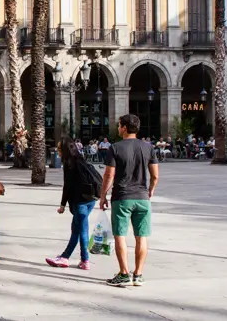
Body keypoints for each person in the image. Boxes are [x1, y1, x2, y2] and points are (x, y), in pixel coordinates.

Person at [100, 114, 158, 288]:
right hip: (142, 199)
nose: (118, 128)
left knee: (120, 236)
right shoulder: (148, 148)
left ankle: (124, 273)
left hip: (122, 198)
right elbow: (155, 175)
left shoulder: (115, 148)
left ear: (124, 128)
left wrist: (103, 195)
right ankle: (138, 274)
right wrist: (150, 190)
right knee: (142, 237)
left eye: (119, 125)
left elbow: (109, 174)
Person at [46, 136, 101, 270]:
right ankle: (65, 257)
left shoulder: (70, 165)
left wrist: (62, 205)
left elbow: (67, 186)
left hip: (80, 202)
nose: (57, 151)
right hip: (90, 200)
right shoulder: (81, 159)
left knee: (81, 231)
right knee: (76, 230)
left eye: (59, 149)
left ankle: (84, 260)